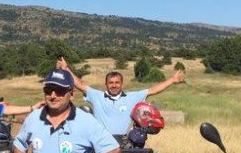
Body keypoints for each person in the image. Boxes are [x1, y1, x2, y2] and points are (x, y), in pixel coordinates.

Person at [56, 56, 185, 136]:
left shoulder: (132, 97)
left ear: (122, 84)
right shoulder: (97, 96)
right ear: (106, 84)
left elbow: (153, 90)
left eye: (117, 82)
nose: (114, 85)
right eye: (111, 83)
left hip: (125, 143)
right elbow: (80, 85)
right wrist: (66, 69)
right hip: (101, 142)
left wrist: (172, 80)